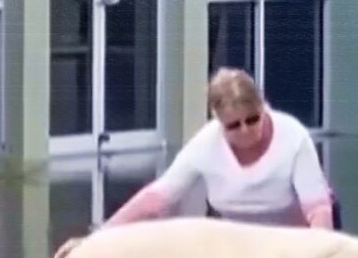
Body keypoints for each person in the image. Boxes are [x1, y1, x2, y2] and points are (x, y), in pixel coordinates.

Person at [100, 67, 341, 231]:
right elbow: (157, 198)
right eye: (234, 125)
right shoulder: (206, 144)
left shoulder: (293, 136)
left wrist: (320, 257)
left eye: (253, 119)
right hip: (241, 238)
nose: (245, 130)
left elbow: (318, 210)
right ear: (218, 121)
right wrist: (98, 236)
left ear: (264, 105)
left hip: (298, 235)